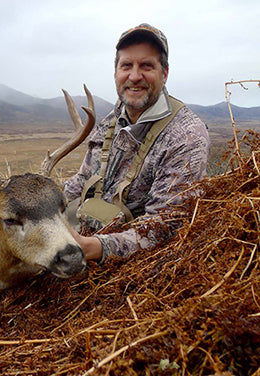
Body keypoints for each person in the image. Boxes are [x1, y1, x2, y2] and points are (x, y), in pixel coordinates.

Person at [64, 23, 210, 264]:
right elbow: (83, 179)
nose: (134, 76)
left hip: (131, 264)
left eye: (146, 66)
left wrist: (94, 247)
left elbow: (165, 227)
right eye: (126, 66)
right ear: (115, 74)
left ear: (164, 74)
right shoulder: (112, 121)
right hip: (87, 237)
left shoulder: (186, 136)